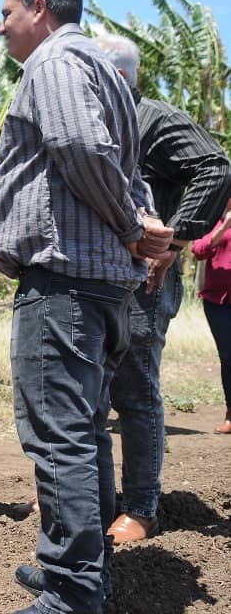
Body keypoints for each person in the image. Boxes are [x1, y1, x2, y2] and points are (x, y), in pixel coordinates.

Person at [0, 0, 173, 614]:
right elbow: (127, 170)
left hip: (63, 283)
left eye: (6, 12)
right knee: (84, 430)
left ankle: (72, 590)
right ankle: (78, 570)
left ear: (38, 8)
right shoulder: (104, 73)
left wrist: (130, 226)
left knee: (59, 433)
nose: (1, 26)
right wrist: (138, 222)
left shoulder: (54, 61)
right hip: (97, 287)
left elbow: (77, 146)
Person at [93, 33, 231, 544]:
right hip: (103, 277)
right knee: (96, 391)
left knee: (135, 389)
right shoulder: (103, 125)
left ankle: (144, 507)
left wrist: (176, 237)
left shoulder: (154, 118)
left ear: (120, 77)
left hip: (146, 278)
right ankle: (99, 498)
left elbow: (216, 168)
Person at [192, 198, 231, 434]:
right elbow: (198, 250)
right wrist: (224, 227)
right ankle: (230, 413)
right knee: (228, 357)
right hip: (218, 300)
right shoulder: (212, 216)